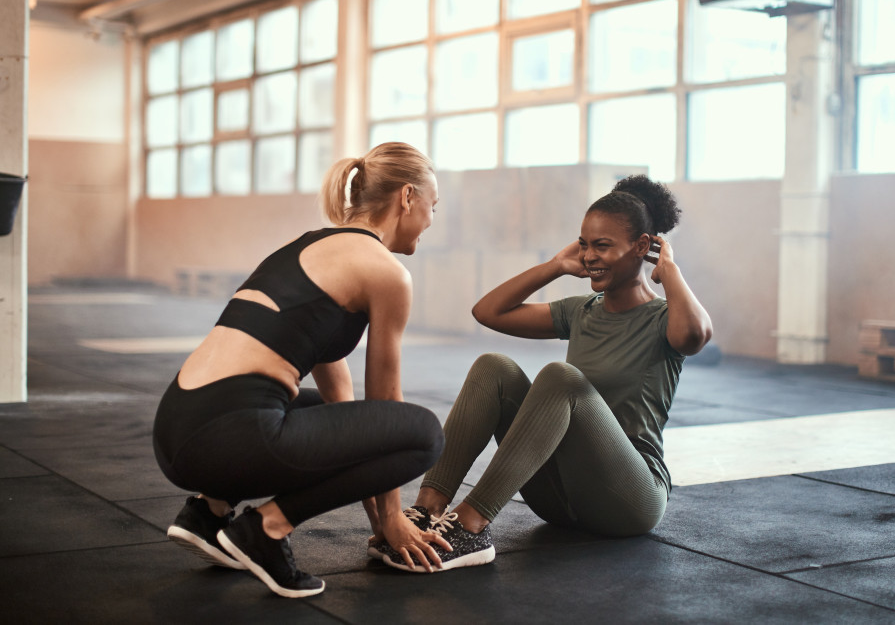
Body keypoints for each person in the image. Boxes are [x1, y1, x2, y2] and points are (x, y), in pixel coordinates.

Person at [152, 142, 452, 598]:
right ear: (407, 197)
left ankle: (209, 512)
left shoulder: (310, 247)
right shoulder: (385, 273)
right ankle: (267, 529)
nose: (431, 219)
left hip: (177, 428)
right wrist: (393, 521)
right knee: (423, 433)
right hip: (226, 438)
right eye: (433, 205)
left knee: (334, 412)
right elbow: (385, 403)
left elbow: (348, 412)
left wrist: (378, 528)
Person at [375, 174, 713, 572]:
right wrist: (554, 266)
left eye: (602, 246)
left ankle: (471, 525)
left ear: (643, 247)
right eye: (585, 244)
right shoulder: (581, 311)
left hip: (629, 501)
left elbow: (694, 335)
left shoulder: (662, 319)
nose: (589, 256)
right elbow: (488, 312)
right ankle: (425, 513)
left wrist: (669, 270)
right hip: (561, 498)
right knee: (494, 367)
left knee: (561, 378)